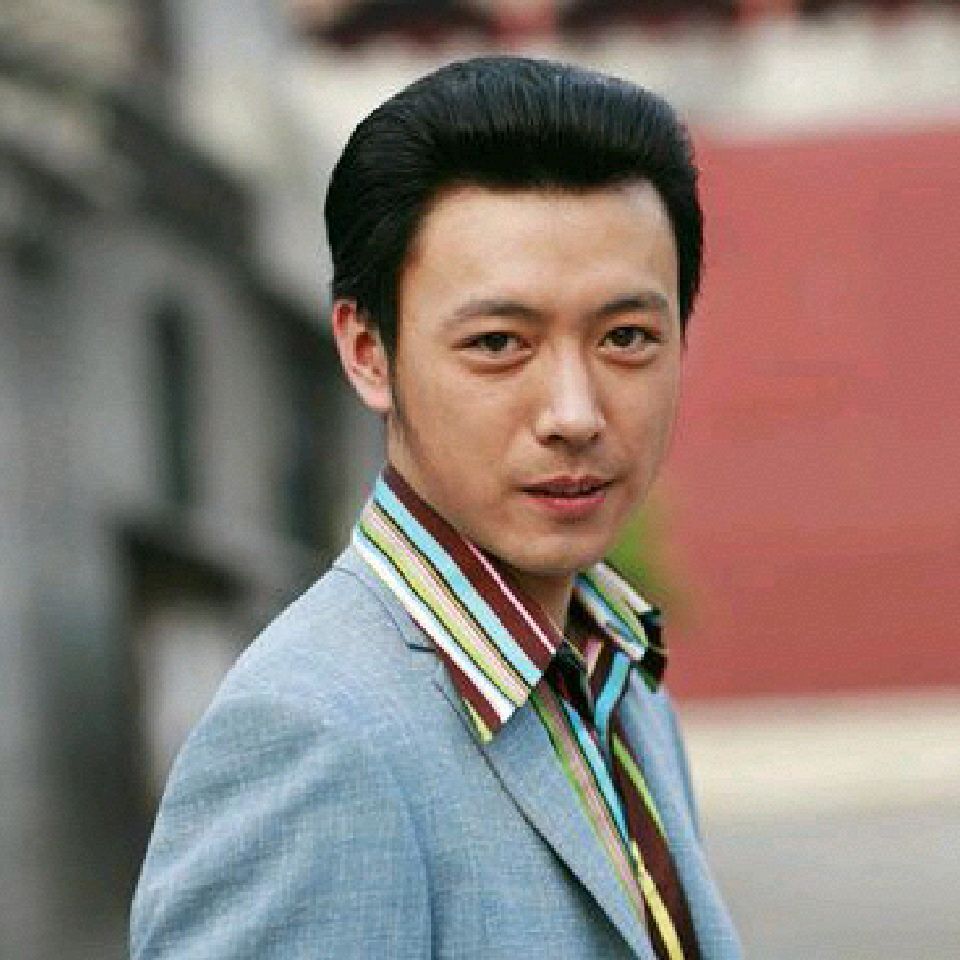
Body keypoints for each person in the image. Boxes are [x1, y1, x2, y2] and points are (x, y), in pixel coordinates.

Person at [131, 56, 741, 960]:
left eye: (625, 337)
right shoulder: (312, 736)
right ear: (368, 352)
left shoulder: (614, 675)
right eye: (498, 343)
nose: (575, 413)